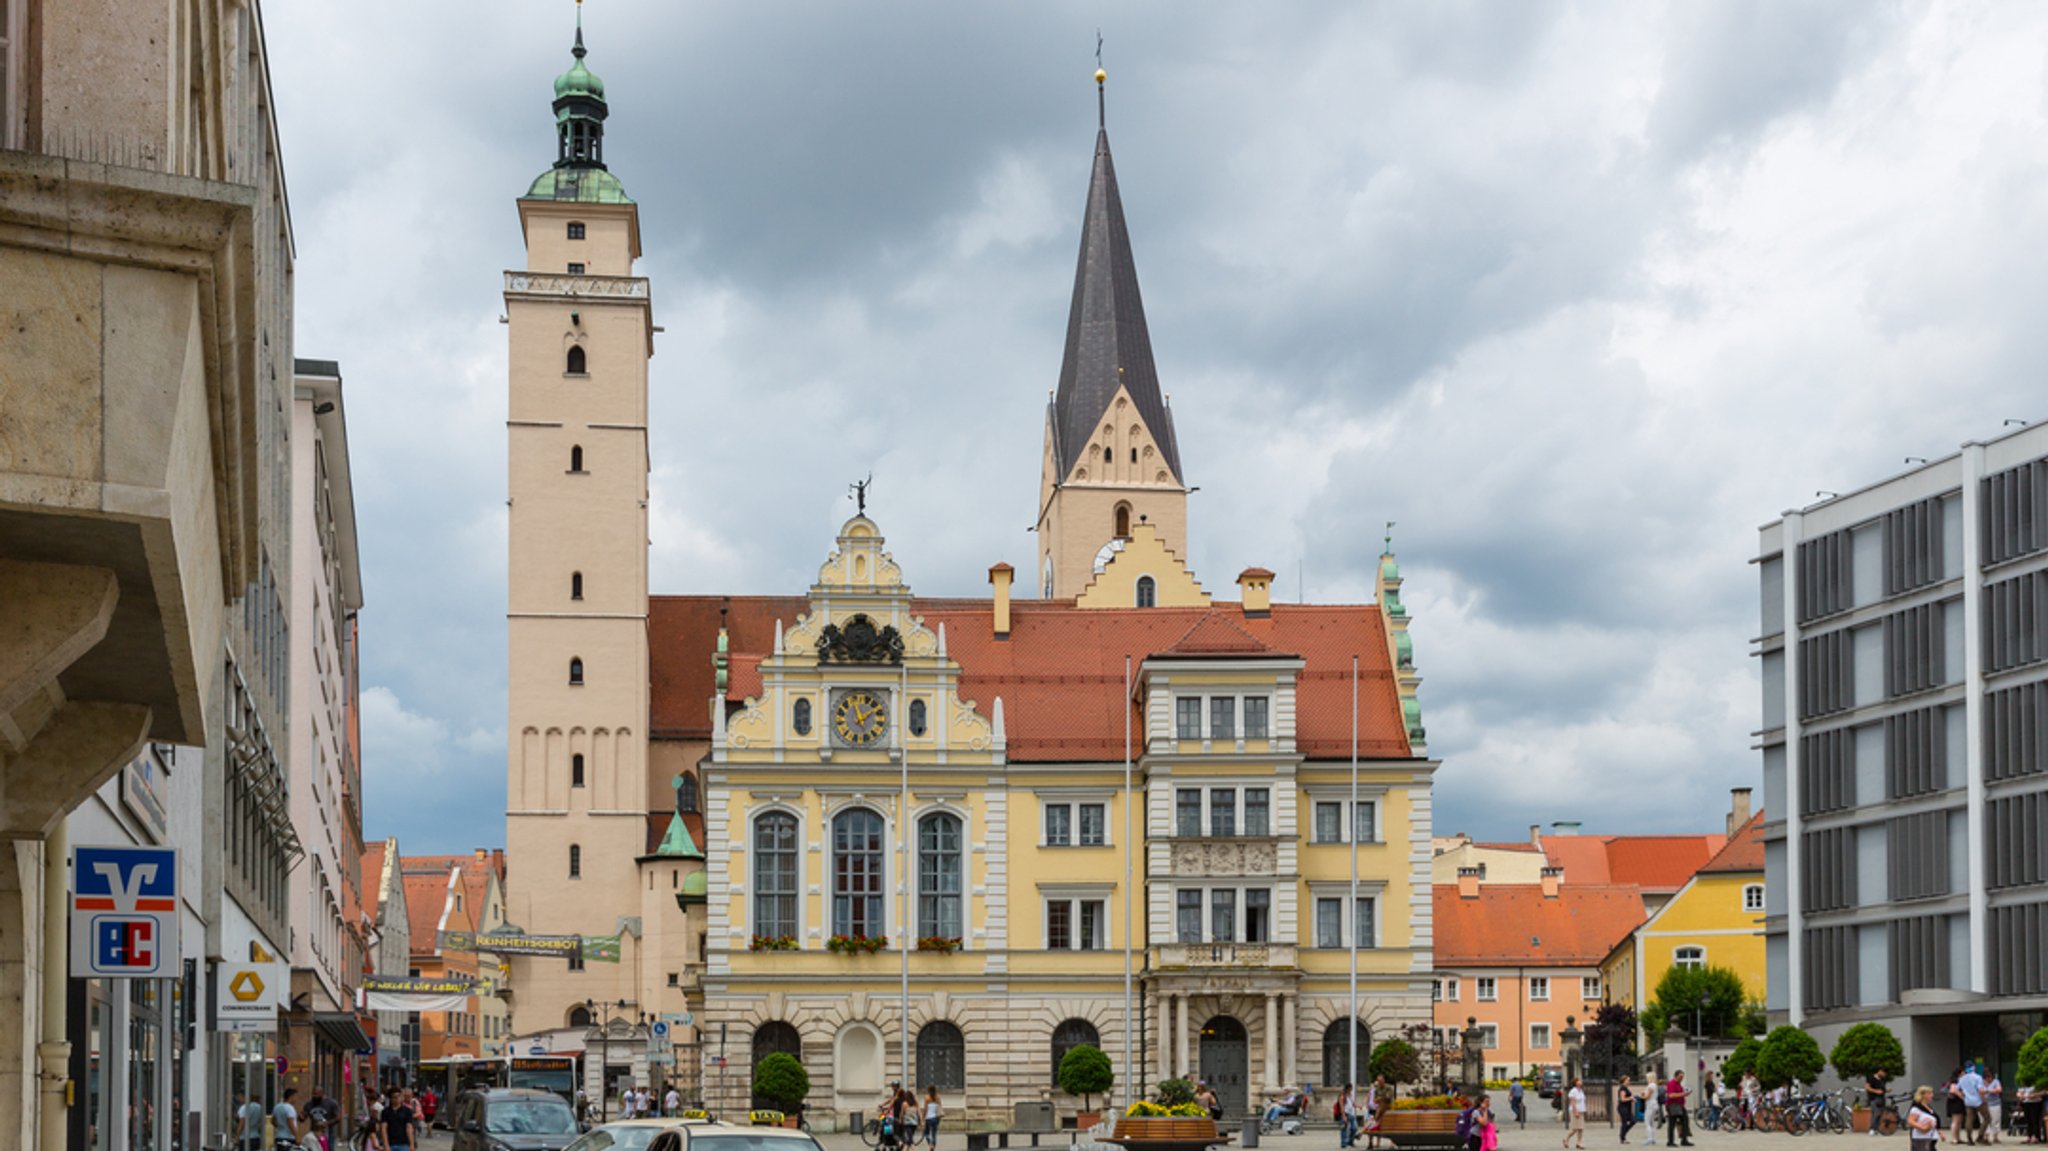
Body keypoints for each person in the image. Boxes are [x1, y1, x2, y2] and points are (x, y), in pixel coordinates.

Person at [1962, 1064, 1990, 1145]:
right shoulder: (1977, 1077)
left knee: (1969, 1119)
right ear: (1974, 1068)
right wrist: (1984, 1097)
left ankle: (1969, 1139)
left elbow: (1958, 1089)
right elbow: (1980, 1090)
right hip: (1978, 1101)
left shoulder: (1962, 1079)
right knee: (1987, 1118)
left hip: (1968, 1102)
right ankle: (1980, 1136)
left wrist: (1964, 1096)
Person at [1664, 1070, 1693, 1148]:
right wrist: (1683, 1094)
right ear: (1676, 1076)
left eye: (1683, 1076)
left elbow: (1679, 1094)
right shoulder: (1671, 1083)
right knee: (1672, 1123)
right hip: (1672, 1105)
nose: (1682, 1078)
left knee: (1685, 1121)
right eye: (1680, 1076)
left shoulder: (1679, 1084)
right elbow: (1671, 1095)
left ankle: (1684, 1140)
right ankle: (1670, 1141)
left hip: (1680, 1105)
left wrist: (1685, 1093)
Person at [1914, 1086, 1946, 1151]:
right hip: (1923, 1137)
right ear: (1923, 1095)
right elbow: (1912, 1122)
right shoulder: (1917, 1108)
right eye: (1929, 1093)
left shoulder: (1928, 1107)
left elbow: (1935, 1120)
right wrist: (1922, 1128)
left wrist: (1940, 1133)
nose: (1932, 1095)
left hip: (1932, 1136)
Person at [1870, 1069, 1895, 1138]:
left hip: (1882, 1098)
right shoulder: (1871, 1078)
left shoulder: (1883, 1080)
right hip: (1874, 1098)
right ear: (1879, 1071)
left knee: (1880, 1114)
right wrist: (1876, 1091)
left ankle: (1877, 1129)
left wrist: (1887, 1090)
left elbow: (1883, 1089)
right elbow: (1867, 1087)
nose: (1884, 1075)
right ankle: (1872, 1129)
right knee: (1875, 1113)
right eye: (1884, 1073)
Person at [1564, 1077, 1587, 1150]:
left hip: (1581, 1110)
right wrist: (1575, 1112)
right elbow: (1573, 1103)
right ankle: (1566, 1139)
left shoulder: (1581, 1091)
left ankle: (1579, 1142)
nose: (1581, 1081)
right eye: (1579, 1081)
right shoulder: (1573, 1091)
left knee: (1581, 1128)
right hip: (1575, 1111)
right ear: (1576, 1083)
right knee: (1575, 1129)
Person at [1619, 1077, 1640, 1144]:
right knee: (1624, 1122)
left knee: (1634, 1120)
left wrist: (1632, 1099)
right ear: (1624, 1081)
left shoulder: (1626, 1088)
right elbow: (1622, 1099)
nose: (1629, 1081)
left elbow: (1626, 1098)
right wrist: (1630, 1098)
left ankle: (1623, 1134)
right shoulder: (1622, 1088)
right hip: (1623, 1108)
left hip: (1627, 1108)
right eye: (1628, 1080)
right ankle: (1623, 1138)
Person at [1337, 1084, 1358, 1149]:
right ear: (1348, 1088)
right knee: (1344, 1128)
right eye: (1351, 1088)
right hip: (1345, 1114)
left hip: (1351, 1114)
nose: (1352, 1090)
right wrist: (1343, 1116)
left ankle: (1350, 1141)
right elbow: (1341, 1106)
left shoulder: (1350, 1095)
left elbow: (1353, 1104)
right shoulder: (1342, 1095)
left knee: (1354, 1128)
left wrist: (1358, 1106)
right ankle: (1343, 1143)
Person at [1988, 1071, 2005, 1145]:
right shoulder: (1982, 1082)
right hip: (1986, 1104)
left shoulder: (1996, 1081)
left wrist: (1989, 1091)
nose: (1989, 1079)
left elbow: (1999, 1089)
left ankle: (1995, 1137)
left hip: (1995, 1104)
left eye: (1990, 1077)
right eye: (1987, 1077)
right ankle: (1986, 1136)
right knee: (1986, 1121)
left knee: (1996, 1120)